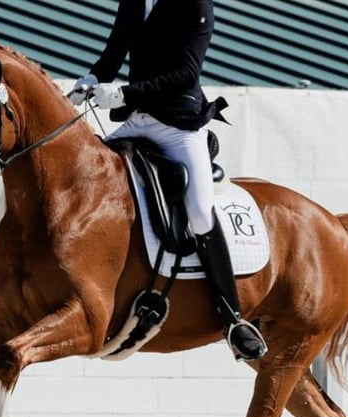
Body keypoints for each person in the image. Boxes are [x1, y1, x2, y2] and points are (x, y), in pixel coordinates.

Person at [69, 0, 267, 361]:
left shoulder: (195, 5)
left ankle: (233, 318)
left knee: (200, 212)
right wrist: (93, 79)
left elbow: (185, 72)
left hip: (179, 126)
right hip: (138, 120)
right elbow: (115, 50)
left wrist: (125, 93)